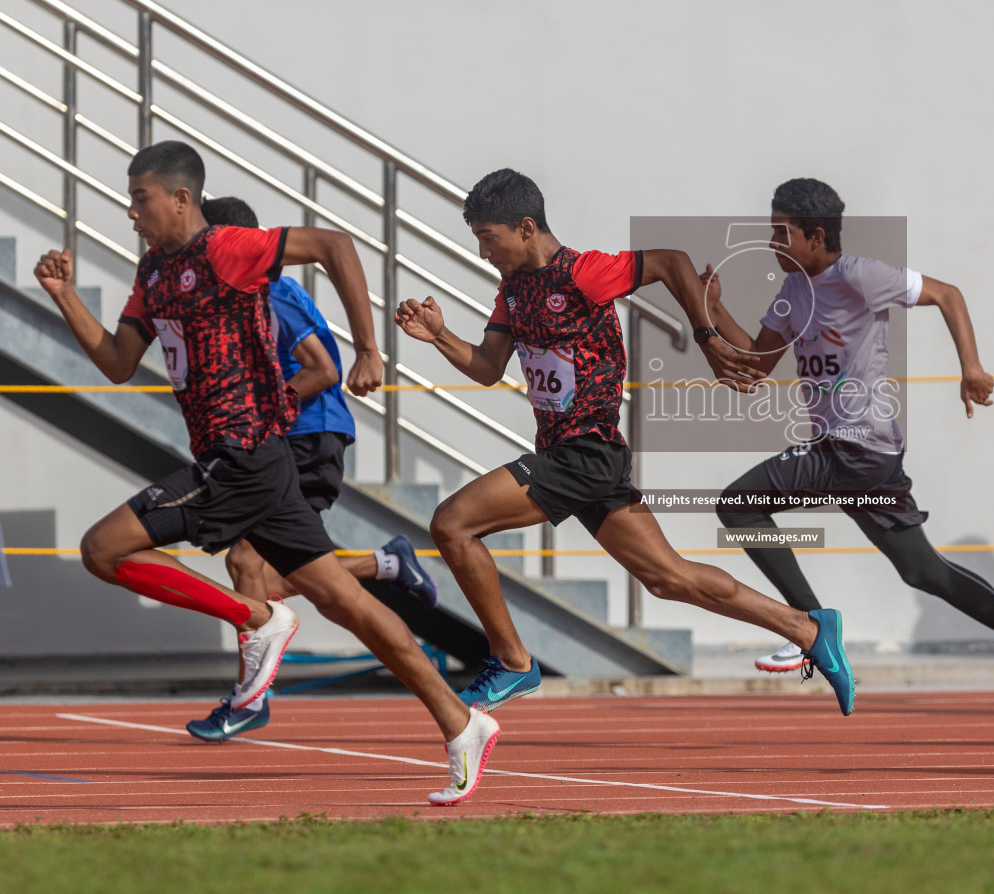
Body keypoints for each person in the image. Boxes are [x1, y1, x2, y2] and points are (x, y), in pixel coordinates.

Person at [35, 141, 498, 806]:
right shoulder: (153, 272)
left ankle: (258, 616)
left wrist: (369, 348)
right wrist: (63, 296)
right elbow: (115, 360)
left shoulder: (227, 249)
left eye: (140, 198)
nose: (130, 210)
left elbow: (335, 246)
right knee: (347, 604)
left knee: (102, 549)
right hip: (256, 462)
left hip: (240, 459)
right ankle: (463, 723)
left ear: (181, 199)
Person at [396, 168, 857, 718]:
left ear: (525, 227)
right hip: (579, 459)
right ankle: (807, 627)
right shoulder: (512, 291)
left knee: (452, 523)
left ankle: (513, 662)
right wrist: (439, 335)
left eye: (487, 237)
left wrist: (707, 337)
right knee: (669, 578)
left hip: (584, 454)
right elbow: (490, 369)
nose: (481, 251)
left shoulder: (584, 273)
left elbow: (671, 262)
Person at [705, 178, 994, 721]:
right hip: (855, 457)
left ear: (815, 236)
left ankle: (810, 625)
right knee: (924, 572)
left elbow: (947, 294)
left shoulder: (859, 276)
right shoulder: (791, 294)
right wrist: (712, 310)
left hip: (857, 448)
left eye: (780, 232)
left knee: (739, 504)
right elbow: (756, 366)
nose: (770, 243)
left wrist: (971, 367)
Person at [184, 196, 438, 742]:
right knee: (260, 571)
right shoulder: (239, 299)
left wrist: (263, 412)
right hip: (282, 440)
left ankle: (251, 697)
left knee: (248, 561)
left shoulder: (276, 293)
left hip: (308, 436)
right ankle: (383, 564)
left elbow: (323, 369)